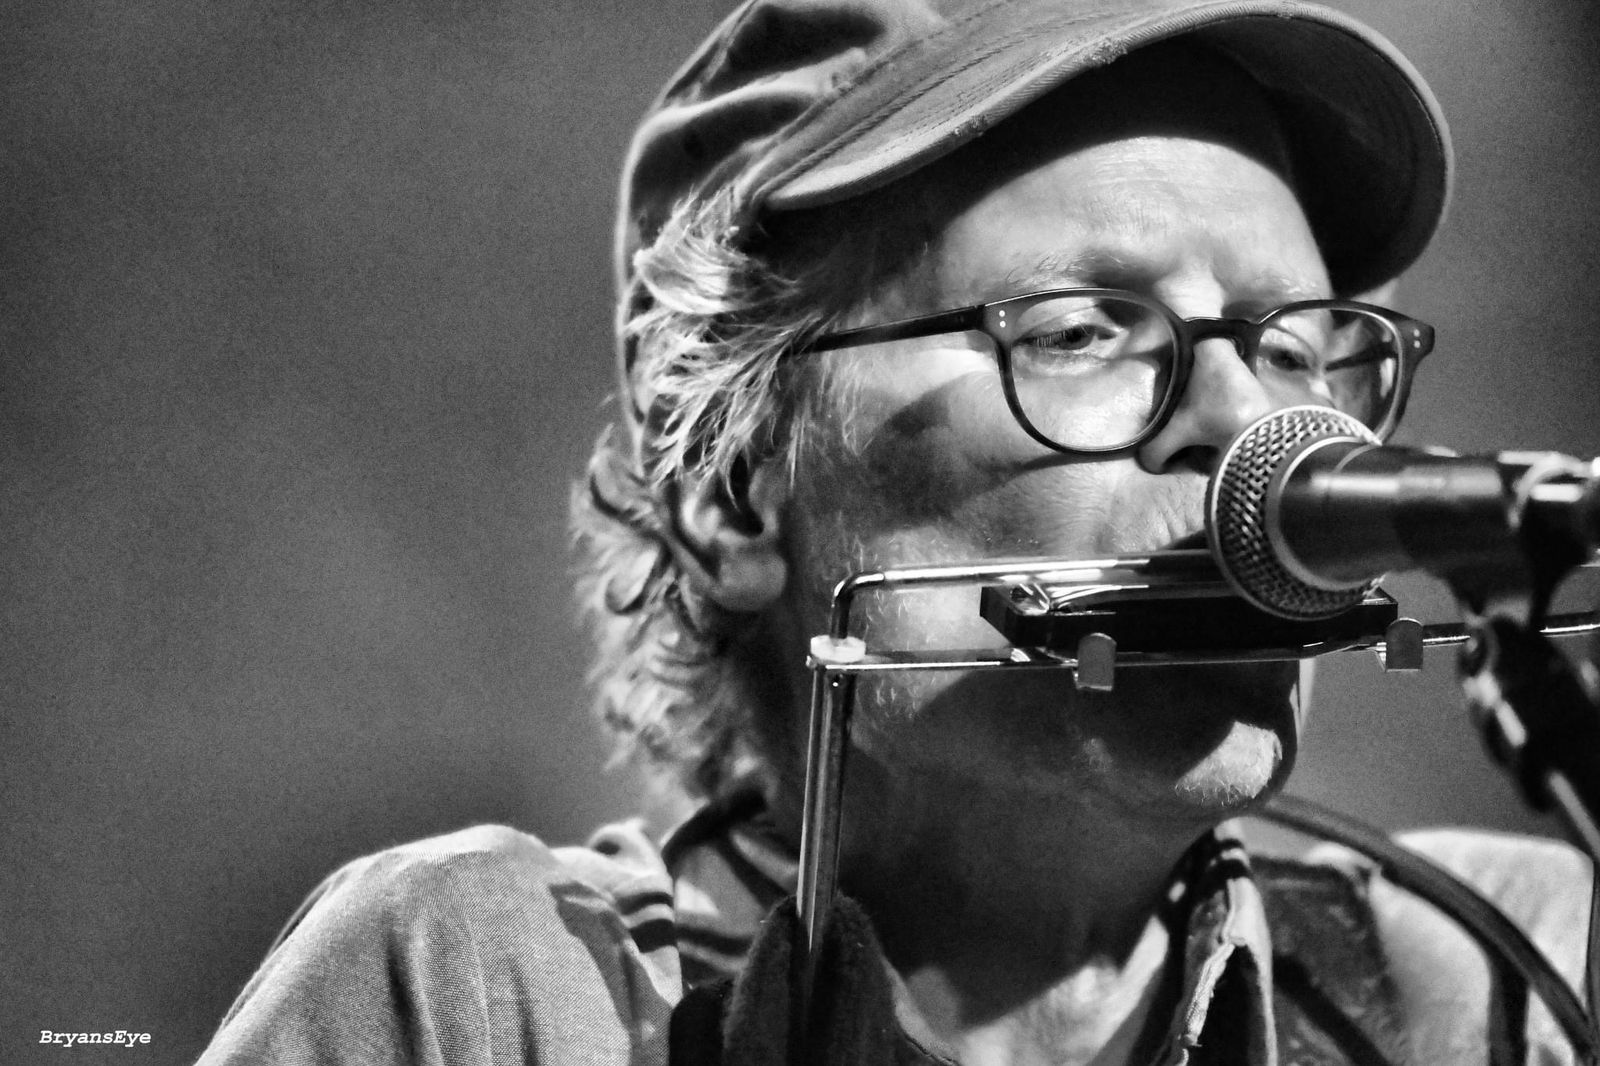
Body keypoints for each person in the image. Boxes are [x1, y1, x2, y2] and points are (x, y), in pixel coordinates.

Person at [199, 0, 1593, 1063]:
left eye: (1292, 347)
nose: (1247, 424)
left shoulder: (1504, 980)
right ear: (731, 492)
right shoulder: (498, 992)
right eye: (1082, 330)